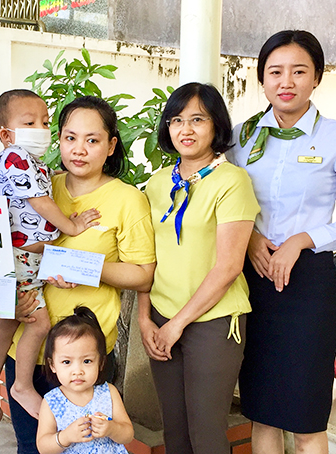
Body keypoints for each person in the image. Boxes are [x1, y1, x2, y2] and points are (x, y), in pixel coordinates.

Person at [226, 30, 336, 454]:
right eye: (275, 72)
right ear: (262, 79)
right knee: (262, 408)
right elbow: (222, 199)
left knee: (307, 414)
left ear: (316, 78)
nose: (286, 81)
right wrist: (252, 237)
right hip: (252, 275)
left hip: (309, 279)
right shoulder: (241, 136)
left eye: (299, 71)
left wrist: (302, 240)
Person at [4, 96, 157, 454]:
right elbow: (9, 247)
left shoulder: (128, 200)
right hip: (29, 350)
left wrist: (82, 267)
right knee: (34, 447)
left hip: (85, 360)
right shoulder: (41, 188)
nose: (79, 149)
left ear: (111, 145)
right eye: (70, 137)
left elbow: (143, 275)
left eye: (92, 140)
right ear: (58, 140)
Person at [138, 82, 259, 453]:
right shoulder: (157, 183)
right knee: (173, 430)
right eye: (176, 120)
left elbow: (228, 267)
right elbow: (146, 258)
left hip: (214, 322)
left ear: (216, 125)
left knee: (206, 433)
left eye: (197, 120)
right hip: (161, 316)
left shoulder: (232, 181)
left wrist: (177, 324)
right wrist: (146, 319)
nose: (185, 130)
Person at [0, 89, 101, 422]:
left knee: (11, 321)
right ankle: (19, 386)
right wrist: (71, 226)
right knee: (38, 321)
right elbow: (40, 202)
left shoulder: (30, 162)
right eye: (30, 122)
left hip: (24, 259)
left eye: (46, 122)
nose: (42, 128)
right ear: (6, 134)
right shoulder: (15, 156)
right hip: (18, 258)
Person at [36, 306, 134, 454]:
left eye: (87, 361)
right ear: (52, 365)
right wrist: (66, 436)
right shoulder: (51, 401)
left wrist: (112, 428)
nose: (77, 371)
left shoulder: (109, 392)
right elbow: (43, 447)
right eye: (67, 362)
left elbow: (128, 434)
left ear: (100, 363)